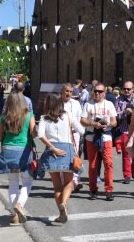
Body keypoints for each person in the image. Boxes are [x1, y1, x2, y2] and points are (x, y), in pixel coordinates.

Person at [0, 92, 35, 225]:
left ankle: (14, 215)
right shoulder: (29, 115)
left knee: (13, 183)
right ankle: (19, 205)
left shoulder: (4, 118)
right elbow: (34, 133)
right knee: (27, 181)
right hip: (24, 152)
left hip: (8, 152)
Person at [38, 93, 84, 223]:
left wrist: (52, 147)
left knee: (57, 185)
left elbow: (40, 135)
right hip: (67, 151)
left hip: (52, 152)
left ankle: (61, 212)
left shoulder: (44, 118)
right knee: (69, 183)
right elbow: (81, 130)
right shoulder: (68, 115)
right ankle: (64, 204)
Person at [80, 83, 117, 201]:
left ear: (104, 93)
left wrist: (109, 125)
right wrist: (93, 123)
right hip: (92, 137)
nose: (97, 93)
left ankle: (109, 190)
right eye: (95, 91)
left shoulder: (109, 104)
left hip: (106, 137)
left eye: (100, 91)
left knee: (108, 163)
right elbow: (82, 120)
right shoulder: (88, 104)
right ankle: (93, 189)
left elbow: (114, 121)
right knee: (93, 164)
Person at [61, 84, 84, 192]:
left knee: (75, 156)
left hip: (74, 134)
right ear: (62, 91)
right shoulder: (57, 103)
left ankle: (75, 181)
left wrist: (80, 131)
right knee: (63, 156)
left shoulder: (76, 104)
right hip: (61, 134)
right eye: (67, 91)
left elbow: (79, 119)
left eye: (71, 92)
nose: (69, 93)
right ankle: (64, 181)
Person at [115, 81, 134, 184]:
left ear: (133, 89)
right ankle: (127, 175)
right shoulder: (119, 100)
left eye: (129, 89)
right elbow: (116, 115)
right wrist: (124, 112)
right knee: (126, 154)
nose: (126, 91)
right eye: (125, 89)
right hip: (124, 130)